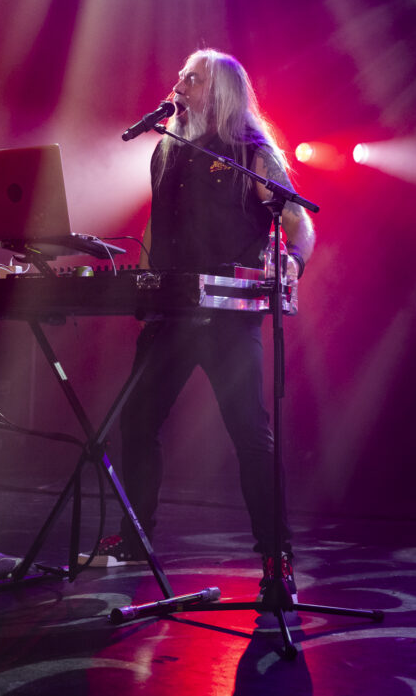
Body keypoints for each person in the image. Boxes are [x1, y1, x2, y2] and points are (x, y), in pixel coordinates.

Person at [85, 48, 315, 597]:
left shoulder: (251, 153)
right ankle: (135, 537)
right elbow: (156, 230)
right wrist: (145, 288)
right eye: (180, 75)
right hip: (171, 311)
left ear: (221, 92)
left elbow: (298, 222)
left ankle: (276, 557)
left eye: (192, 77)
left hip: (227, 317)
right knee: (137, 421)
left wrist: (294, 261)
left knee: (249, 435)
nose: (179, 83)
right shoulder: (166, 150)